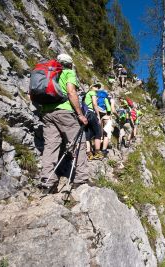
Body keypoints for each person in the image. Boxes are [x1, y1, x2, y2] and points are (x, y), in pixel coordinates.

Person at [39, 53, 89, 190]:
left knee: (50, 146)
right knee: (79, 142)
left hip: (47, 113)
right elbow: (71, 92)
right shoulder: (69, 73)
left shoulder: (48, 73)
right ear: (70, 64)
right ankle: (81, 179)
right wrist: (80, 114)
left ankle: (48, 182)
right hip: (64, 112)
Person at [84, 83, 104, 160]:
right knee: (98, 132)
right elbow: (95, 104)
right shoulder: (92, 92)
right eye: (96, 86)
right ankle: (97, 152)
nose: (97, 88)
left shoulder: (86, 94)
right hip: (91, 113)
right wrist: (98, 116)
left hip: (85, 114)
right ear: (91, 87)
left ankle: (89, 153)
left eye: (98, 87)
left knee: (88, 134)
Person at [95, 84, 113, 157]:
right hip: (105, 115)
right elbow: (109, 108)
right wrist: (109, 114)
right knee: (106, 134)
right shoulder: (107, 98)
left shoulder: (97, 96)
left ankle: (96, 149)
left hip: (97, 114)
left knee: (99, 132)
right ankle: (104, 150)